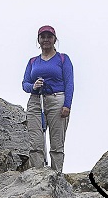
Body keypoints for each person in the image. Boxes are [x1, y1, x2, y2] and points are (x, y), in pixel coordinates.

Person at [21, 25, 74, 172]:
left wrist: (67, 105)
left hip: (57, 100)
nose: (46, 40)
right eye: (42, 37)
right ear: (38, 40)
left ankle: (56, 176)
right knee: (35, 141)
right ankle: (37, 176)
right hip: (36, 101)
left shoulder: (63, 59)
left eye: (49, 37)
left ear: (54, 39)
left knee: (57, 142)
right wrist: (33, 86)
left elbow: (69, 83)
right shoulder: (33, 61)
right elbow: (25, 83)